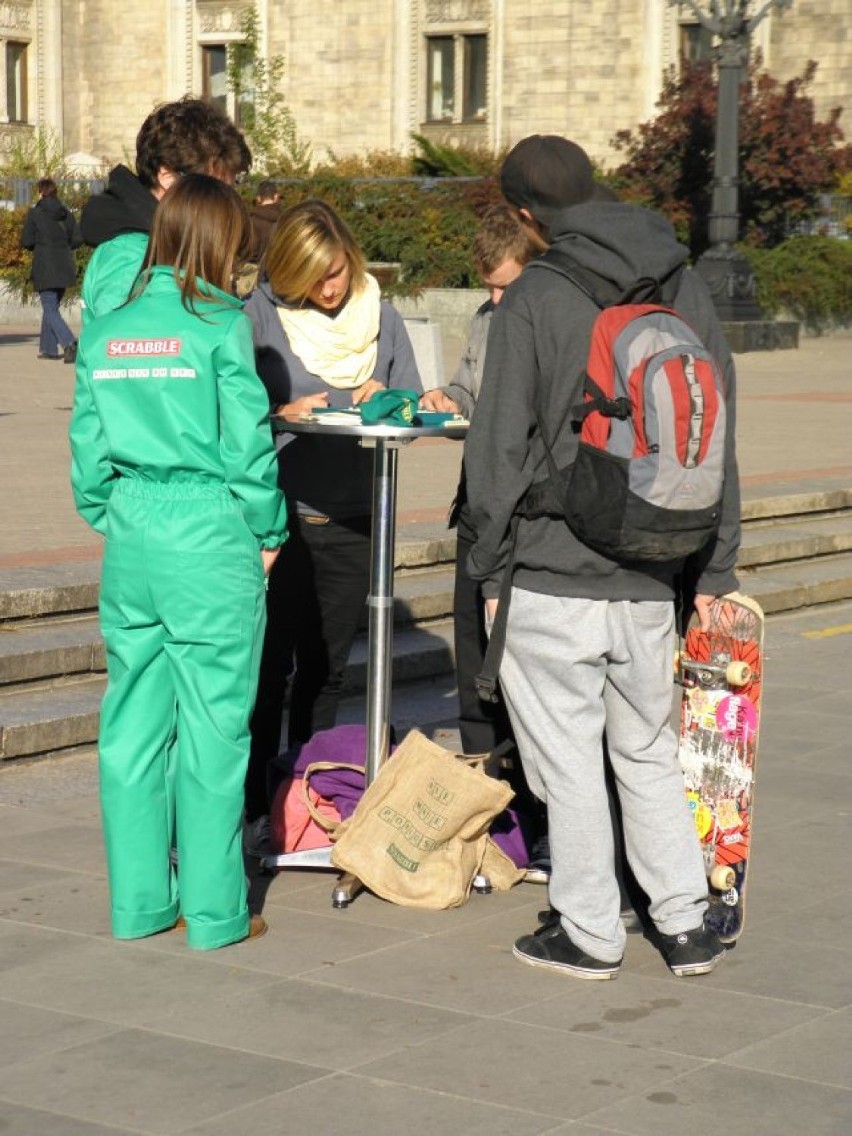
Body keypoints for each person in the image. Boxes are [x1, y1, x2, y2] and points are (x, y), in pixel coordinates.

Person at [464, 135, 741, 979]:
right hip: (655, 567)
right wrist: (716, 568)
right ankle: (685, 923)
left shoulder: (537, 296)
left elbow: (496, 449)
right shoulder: (681, 281)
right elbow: (721, 428)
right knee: (647, 748)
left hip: (554, 572)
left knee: (570, 760)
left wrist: (487, 565)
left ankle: (588, 930)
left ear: (523, 214)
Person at [69, 174, 287, 950]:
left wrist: (120, 514)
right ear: (219, 240)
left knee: (130, 726)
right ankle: (217, 911)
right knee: (213, 728)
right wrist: (268, 530)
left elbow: (87, 460)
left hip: (134, 533)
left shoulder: (108, 328)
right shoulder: (219, 326)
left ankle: (138, 904)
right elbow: (248, 449)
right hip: (209, 531)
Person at [242, 198, 422, 855]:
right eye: (315, 277)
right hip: (280, 519)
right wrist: (282, 411)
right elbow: (229, 415)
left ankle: (308, 798)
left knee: (327, 671)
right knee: (270, 670)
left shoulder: (383, 314)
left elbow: (412, 402)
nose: (331, 287)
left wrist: (396, 404)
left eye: (338, 271)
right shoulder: (258, 316)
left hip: (355, 519)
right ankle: (258, 803)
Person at [420, 205, 547, 865]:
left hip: (527, 518)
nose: (496, 300)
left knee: (523, 662)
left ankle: (536, 809)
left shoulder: (547, 323)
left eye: (506, 286)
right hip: (477, 508)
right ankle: (485, 799)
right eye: (488, 288)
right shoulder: (487, 319)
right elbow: (470, 391)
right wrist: (448, 397)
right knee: (474, 663)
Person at [80, 96, 251, 324]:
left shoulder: (172, 239)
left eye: (231, 190)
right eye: (214, 189)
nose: (226, 205)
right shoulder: (130, 255)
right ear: (167, 176)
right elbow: (124, 345)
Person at [21, 177, 82, 363]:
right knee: (52, 308)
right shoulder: (66, 214)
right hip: (63, 266)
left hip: (45, 266)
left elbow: (27, 241)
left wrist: (41, 247)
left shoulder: (35, 213)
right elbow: (78, 239)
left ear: (40, 192)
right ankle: (48, 348)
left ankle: (69, 342)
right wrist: (63, 248)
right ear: (55, 193)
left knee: (49, 308)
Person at [247, 179, 281, 262]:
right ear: (276, 197)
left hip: (257, 269)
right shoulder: (285, 220)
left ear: (258, 198)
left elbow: (251, 251)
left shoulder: (252, 221)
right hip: (279, 269)